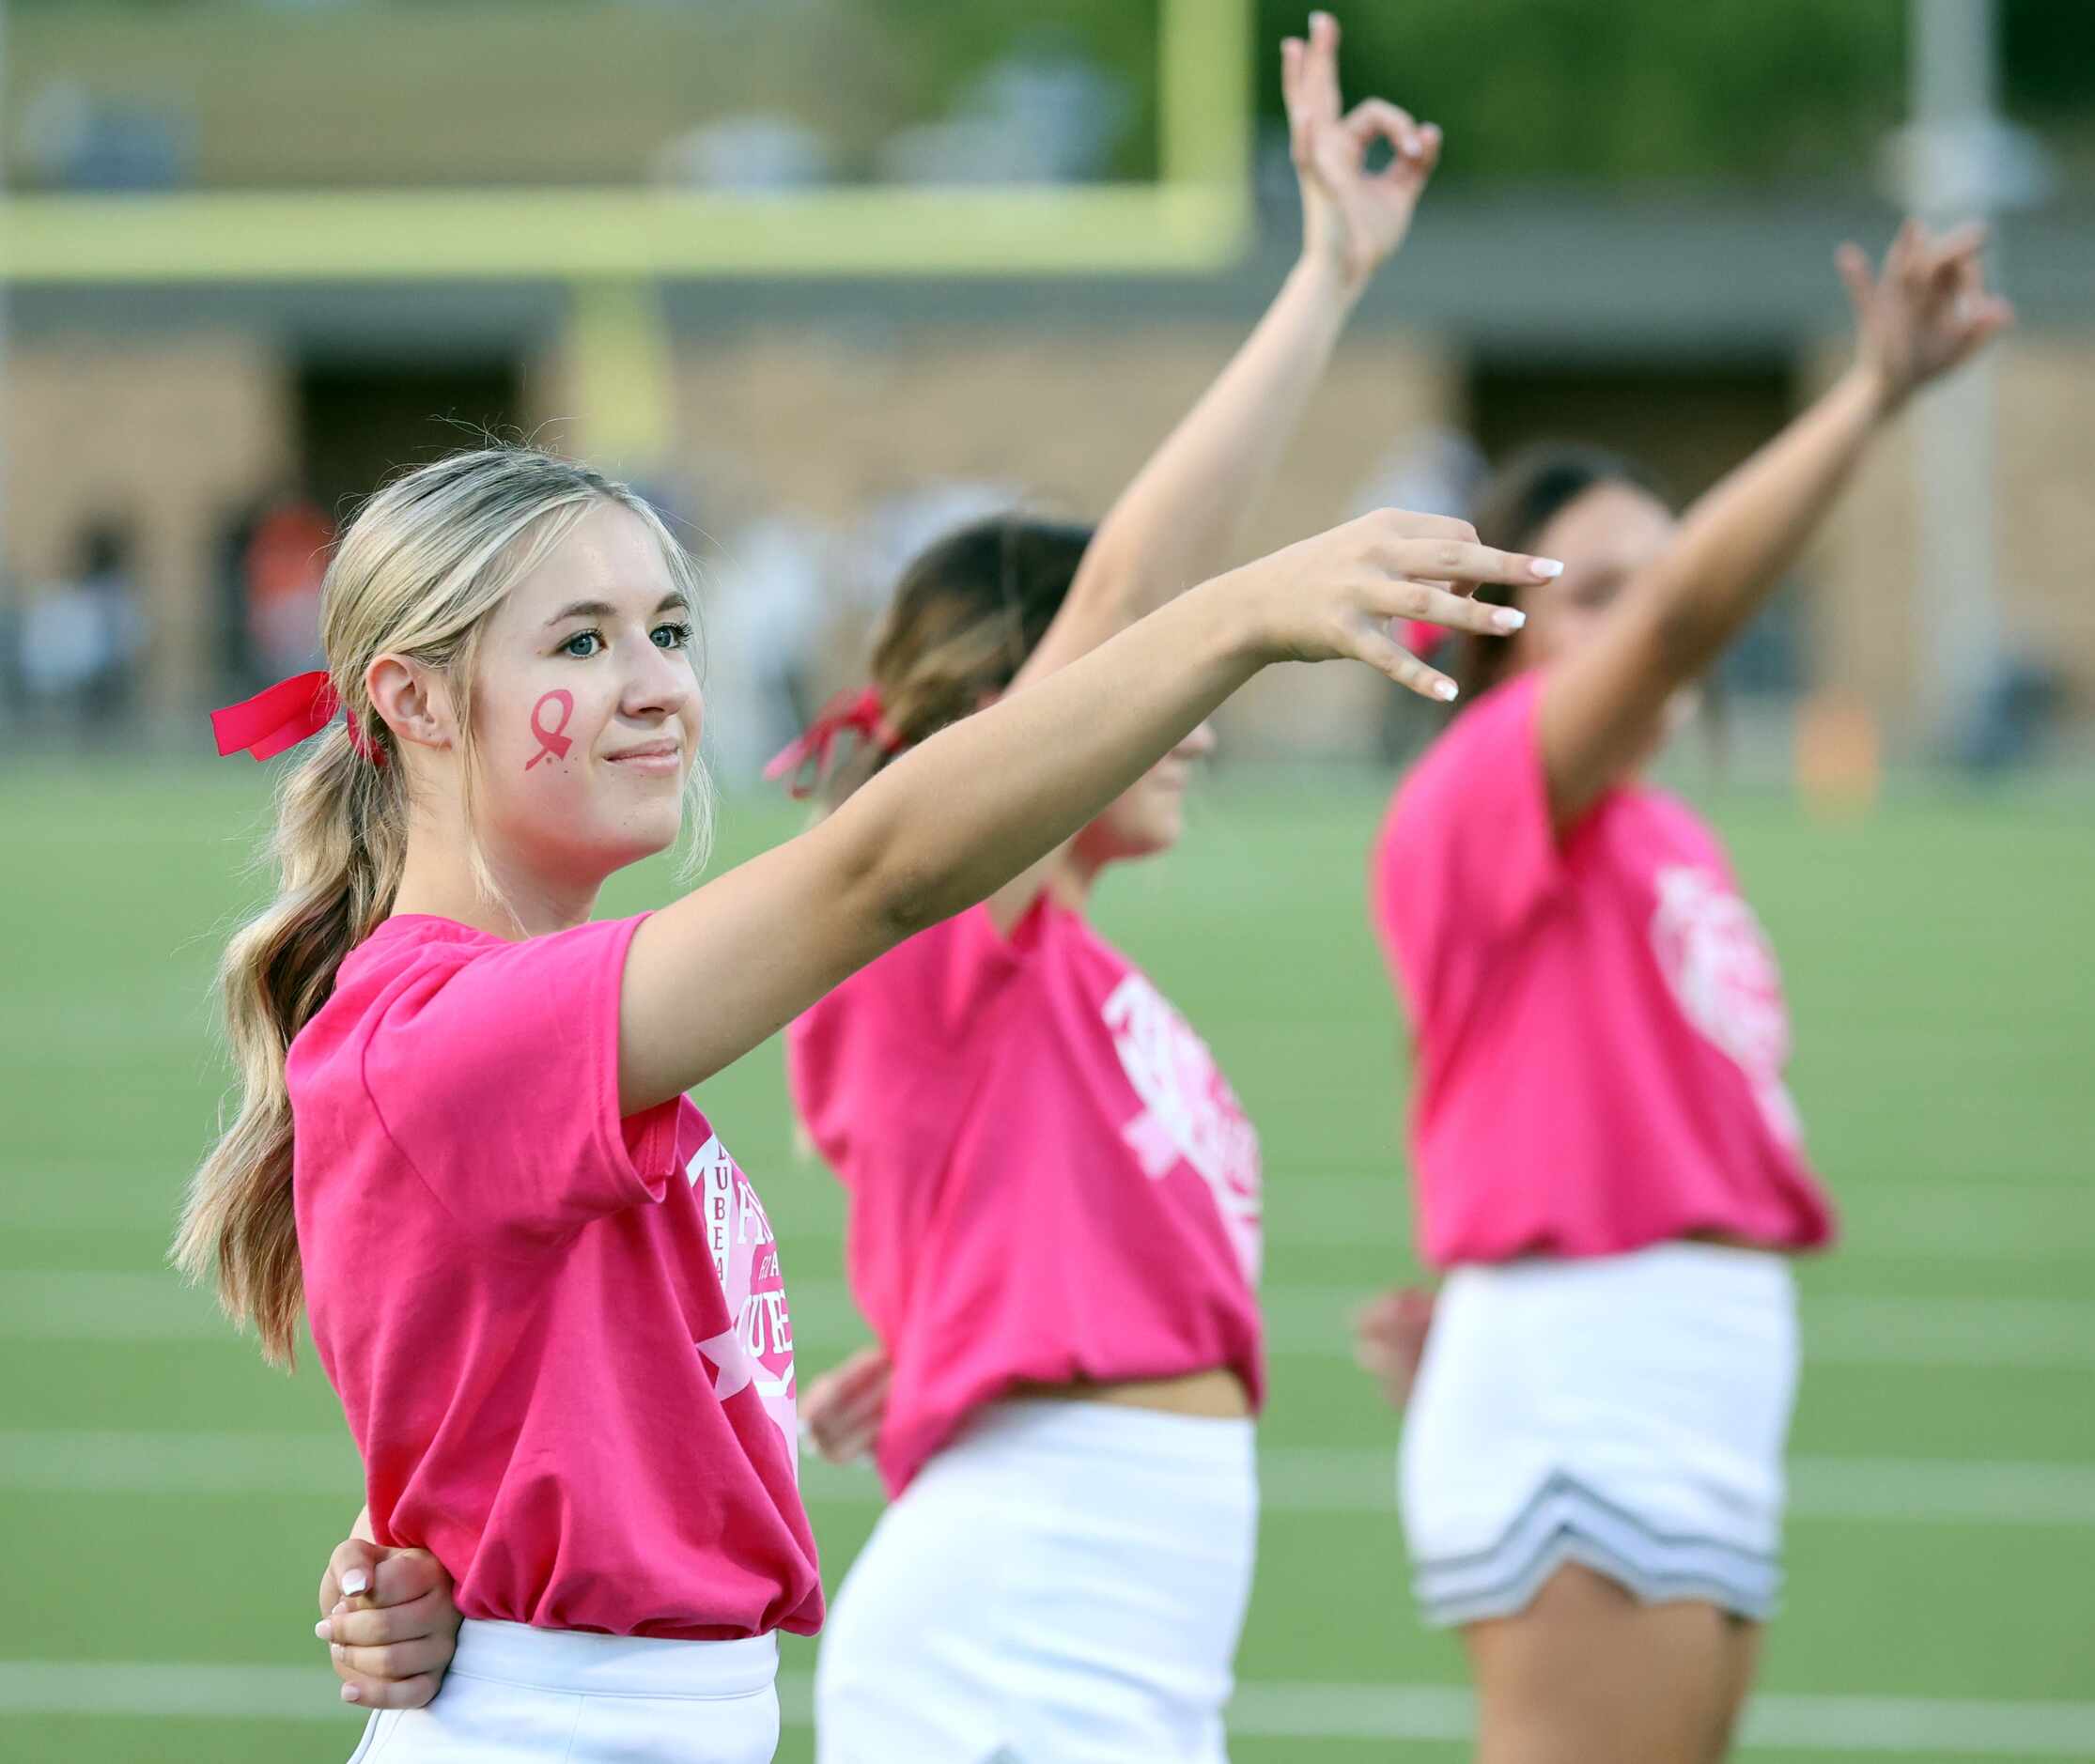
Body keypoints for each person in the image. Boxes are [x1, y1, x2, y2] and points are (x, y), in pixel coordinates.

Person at [185, 426, 1537, 1761]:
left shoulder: (501, 1019)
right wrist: (1242, 613)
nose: (657, 683)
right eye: (582, 643)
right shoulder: (442, 1027)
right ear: (414, 701)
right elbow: (872, 873)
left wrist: (419, 1562)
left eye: (668, 631)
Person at [785, 18, 1510, 1760]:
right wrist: (1324, 282)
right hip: (1023, 1618)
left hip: (1111, 1611)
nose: (1189, 718)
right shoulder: (938, 916)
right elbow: (1125, 614)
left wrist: (965, 1329)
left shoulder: (1082, 982)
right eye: (1148, 691)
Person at [1354, 220, 2010, 1764]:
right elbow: (1677, 630)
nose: (1649, 619)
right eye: (1596, 592)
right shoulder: (1481, 786)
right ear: (1502, 636)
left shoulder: (1657, 832)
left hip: (1682, 1376)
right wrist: (1868, 398)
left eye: (1658, 573)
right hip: (1592, 1380)